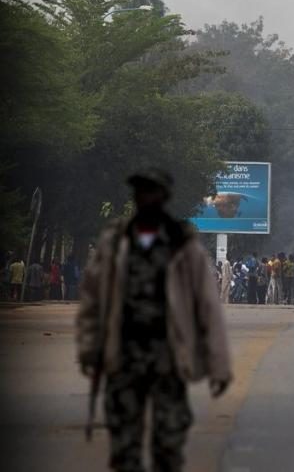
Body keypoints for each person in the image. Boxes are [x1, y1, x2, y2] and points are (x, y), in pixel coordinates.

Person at [76, 168, 231, 472]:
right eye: (140, 191)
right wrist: (88, 347)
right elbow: (92, 301)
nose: (145, 198)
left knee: (168, 447)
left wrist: (219, 364)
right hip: (123, 356)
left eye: (152, 191)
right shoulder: (114, 242)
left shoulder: (183, 246)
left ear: (164, 197)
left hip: (168, 358)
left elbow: (207, 307)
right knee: (124, 447)